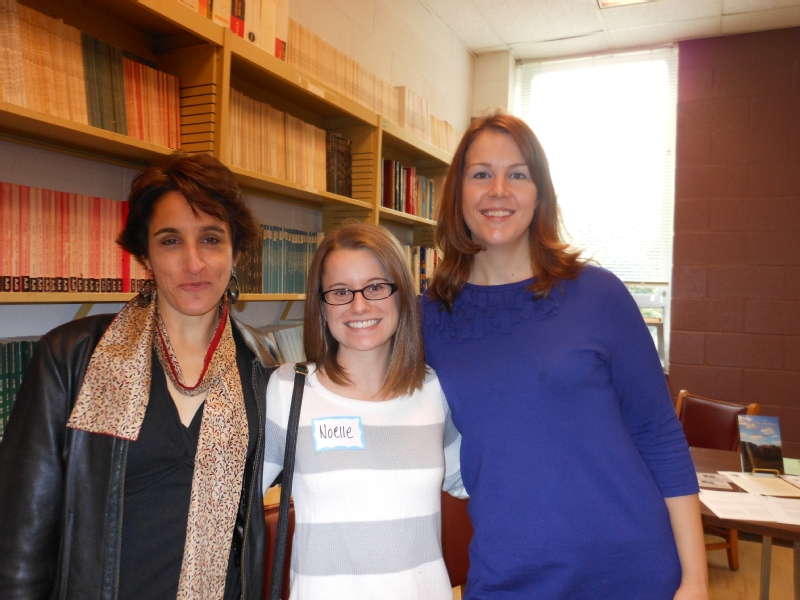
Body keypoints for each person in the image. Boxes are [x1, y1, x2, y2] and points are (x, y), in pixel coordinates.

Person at [420, 112, 708, 600]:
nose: (498, 190)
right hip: (508, 574)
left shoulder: (598, 294)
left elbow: (659, 434)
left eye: (517, 174)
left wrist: (696, 580)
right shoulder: (429, 317)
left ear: (540, 194)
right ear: (458, 194)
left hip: (631, 570)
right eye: (481, 174)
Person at [0, 152, 279, 600]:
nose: (193, 263)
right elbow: (20, 538)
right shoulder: (72, 357)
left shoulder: (263, 370)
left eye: (211, 239)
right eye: (170, 241)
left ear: (236, 251)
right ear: (145, 255)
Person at [263, 222, 464, 600]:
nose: (359, 305)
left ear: (401, 295)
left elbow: (472, 482)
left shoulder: (435, 391)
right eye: (340, 292)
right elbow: (228, 505)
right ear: (320, 306)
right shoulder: (290, 390)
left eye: (375, 287)